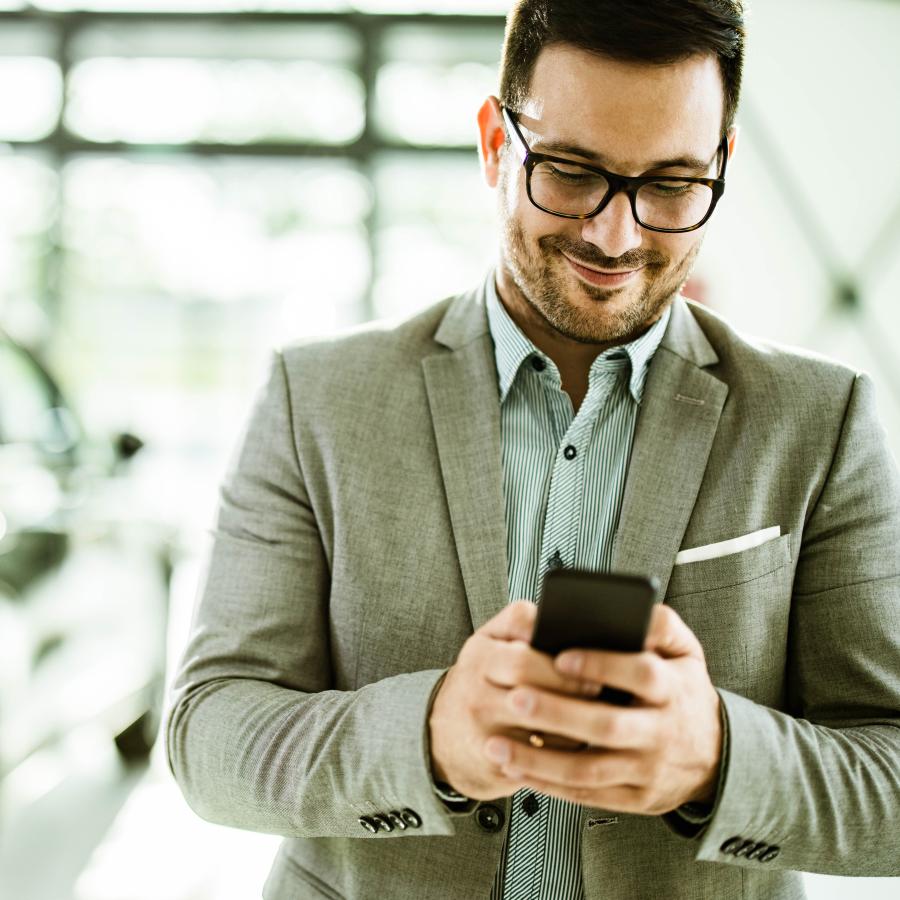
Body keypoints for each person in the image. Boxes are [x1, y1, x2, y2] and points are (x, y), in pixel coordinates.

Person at [164, 2, 900, 898]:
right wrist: (432, 736)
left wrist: (717, 759)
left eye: (670, 184)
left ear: (722, 165)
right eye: (571, 172)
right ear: (493, 144)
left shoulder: (820, 420)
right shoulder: (314, 398)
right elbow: (209, 734)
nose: (615, 236)